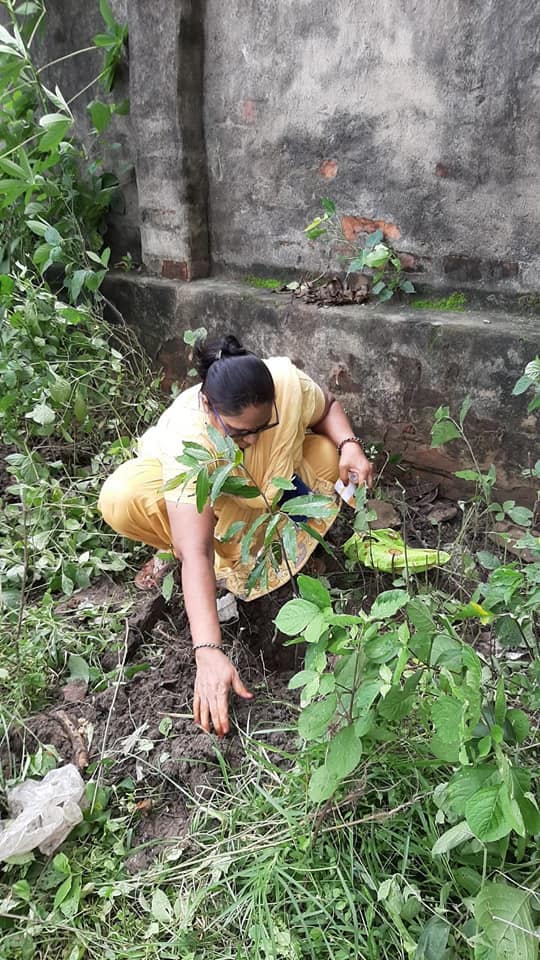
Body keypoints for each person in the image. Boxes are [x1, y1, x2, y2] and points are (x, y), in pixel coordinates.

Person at [98, 334, 373, 737]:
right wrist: (208, 651)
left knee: (326, 456)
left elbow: (327, 406)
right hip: (200, 504)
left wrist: (350, 444)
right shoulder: (188, 440)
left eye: (264, 426)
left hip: (266, 491)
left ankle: (282, 549)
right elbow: (196, 551)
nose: (254, 439)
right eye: (240, 432)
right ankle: (186, 557)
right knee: (123, 498)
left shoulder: (286, 384)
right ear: (209, 408)